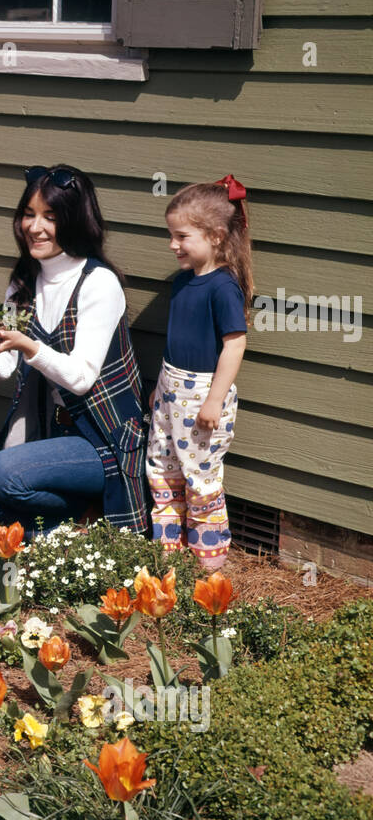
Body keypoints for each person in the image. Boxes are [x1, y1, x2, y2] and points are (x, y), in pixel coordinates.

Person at [0, 164, 149, 537]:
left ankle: (61, 521)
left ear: (75, 220)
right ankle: (52, 517)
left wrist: (28, 344)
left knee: (1, 473)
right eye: (28, 214)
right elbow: (6, 368)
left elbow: (82, 378)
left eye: (50, 217)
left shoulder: (98, 283)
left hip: (101, 440)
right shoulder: (24, 281)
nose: (34, 227)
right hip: (47, 437)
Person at [146, 175, 251, 569]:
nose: (173, 244)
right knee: (162, 466)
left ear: (216, 236)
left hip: (203, 395)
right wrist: (160, 386)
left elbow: (234, 344)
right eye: (171, 235)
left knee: (200, 476)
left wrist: (213, 400)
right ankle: (166, 551)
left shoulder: (223, 288)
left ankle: (209, 561)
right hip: (171, 389)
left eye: (181, 236)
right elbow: (175, 340)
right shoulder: (181, 284)